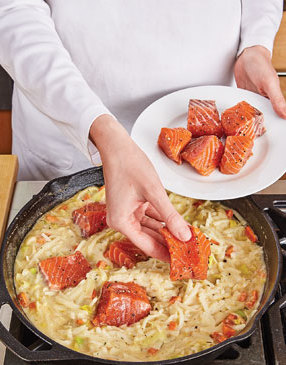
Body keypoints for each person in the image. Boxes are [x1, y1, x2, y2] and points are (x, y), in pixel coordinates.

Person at [0, 1, 285, 261]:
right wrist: (99, 128)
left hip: (208, 129)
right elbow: (13, 9)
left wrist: (255, 43)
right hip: (70, 122)